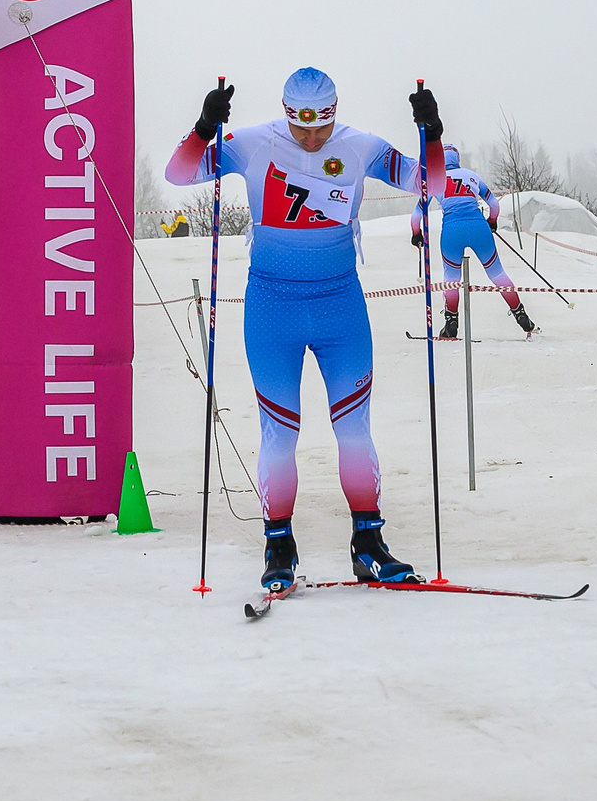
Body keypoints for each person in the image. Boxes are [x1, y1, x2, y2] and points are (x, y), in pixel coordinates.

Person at [165, 67, 444, 595]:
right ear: (287, 114)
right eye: (301, 128)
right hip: (273, 307)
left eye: (321, 128)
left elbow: (430, 184)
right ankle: (279, 545)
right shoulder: (253, 143)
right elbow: (179, 175)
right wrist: (203, 128)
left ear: (335, 114)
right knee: (280, 434)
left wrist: (432, 134)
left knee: (354, 429)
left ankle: (369, 542)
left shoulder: (360, 146)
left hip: (340, 305)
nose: (312, 140)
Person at [413, 145, 538, 340]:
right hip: (478, 227)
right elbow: (494, 204)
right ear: (457, 159)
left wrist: (416, 234)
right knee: (497, 273)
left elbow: (416, 215)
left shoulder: (434, 180)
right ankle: (521, 314)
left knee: (451, 278)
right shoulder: (472, 176)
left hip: (452, 231)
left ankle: (451, 322)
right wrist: (492, 222)